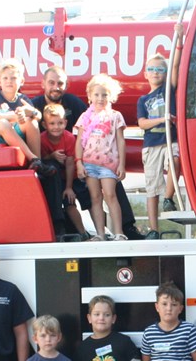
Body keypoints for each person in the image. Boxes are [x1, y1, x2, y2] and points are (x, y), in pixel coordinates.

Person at [30, 65, 142, 240]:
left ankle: (126, 228)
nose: (55, 87)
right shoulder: (35, 105)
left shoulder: (74, 103)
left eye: (60, 83)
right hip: (51, 165)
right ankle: (65, 230)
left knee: (110, 187)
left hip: (82, 163)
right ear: (43, 83)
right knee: (61, 183)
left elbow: (89, 129)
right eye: (51, 83)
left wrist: (78, 162)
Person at [137, 25, 185, 238]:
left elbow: (175, 65)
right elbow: (142, 123)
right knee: (151, 187)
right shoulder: (143, 99)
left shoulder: (169, 90)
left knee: (175, 160)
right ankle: (154, 229)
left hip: (169, 139)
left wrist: (179, 39)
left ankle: (169, 198)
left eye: (160, 69)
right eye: (152, 69)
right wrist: (162, 118)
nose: (156, 72)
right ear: (146, 73)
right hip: (151, 144)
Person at [75, 74, 128, 240]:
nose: (100, 98)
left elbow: (120, 141)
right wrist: (79, 163)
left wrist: (122, 165)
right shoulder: (85, 117)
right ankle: (100, 233)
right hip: (89, 163)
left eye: (104, 95)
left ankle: (119, 232)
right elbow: (78, 142)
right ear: (90, 96)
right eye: (97, 94)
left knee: (110, 195)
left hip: (108, 163)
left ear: (110, 96)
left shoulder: (115, 116)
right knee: (95, 198)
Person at [0, 58, 54, 176]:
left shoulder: (23, 99)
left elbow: (38, 116)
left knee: (32, 122)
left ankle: (38, 166)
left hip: (15, 136)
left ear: (22, 81)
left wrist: (30, 112)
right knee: (3, 123)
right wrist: (17, 116)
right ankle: (33, 158)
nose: (9, 81)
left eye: (13, 78)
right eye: (5, 78)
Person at [38, 103, 88, 238]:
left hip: (69, 177)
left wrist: (69, 188)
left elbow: (71, 163)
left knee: (70, 203)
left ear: (65, 123)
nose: (56, 127)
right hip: (53, 178)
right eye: (52, 123)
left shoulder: (69, 138)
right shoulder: (41, 139)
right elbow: (42, 159)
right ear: (44, 125)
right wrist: (52, 155)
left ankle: (83, 233)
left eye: (60, 123)